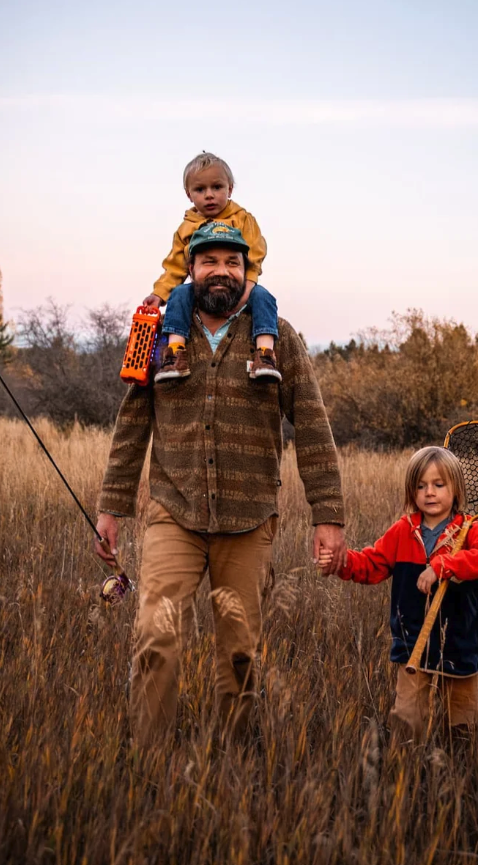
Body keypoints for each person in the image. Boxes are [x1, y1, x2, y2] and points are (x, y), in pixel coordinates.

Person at [96, 220, 346, 743]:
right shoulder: (160, 334)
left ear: (247, 272)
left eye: (233, 263)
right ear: (190, 269)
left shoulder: (277, 338)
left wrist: (328, 515)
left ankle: (234, 758)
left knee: (239, 653)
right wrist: (111, 506)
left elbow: (314, 422)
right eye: (210, 261)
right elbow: (132, 423)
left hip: (249, 517)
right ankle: (149, 755)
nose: (221, 271)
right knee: (155, 637)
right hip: (173, 512)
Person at [319, 445, 478, 740]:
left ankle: (459, 772)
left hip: (459, 641)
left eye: (438, 485)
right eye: (421, 485)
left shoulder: (469, 530)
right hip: (412, 642)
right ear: (411, 491)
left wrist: (442, 565)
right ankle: (406, 770)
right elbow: (371, 564)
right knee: (407, 722)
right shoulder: (403, 531)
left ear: (456, 489)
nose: (429, 492)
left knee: (462, 727)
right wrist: (340, 562)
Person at [144, 151, 281, 383]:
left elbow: (254, 258)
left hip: (240, 286)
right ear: (189, 194)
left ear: (229, 190)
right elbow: (175, 267)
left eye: (217, 187)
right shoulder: (186, 228)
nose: (209, 195)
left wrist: (246, 290)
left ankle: (265, 354)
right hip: (202, 292)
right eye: (200, 190)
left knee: (264, 297)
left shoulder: (242, 220)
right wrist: (158, 295)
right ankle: (175, 354)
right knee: (179, 294)